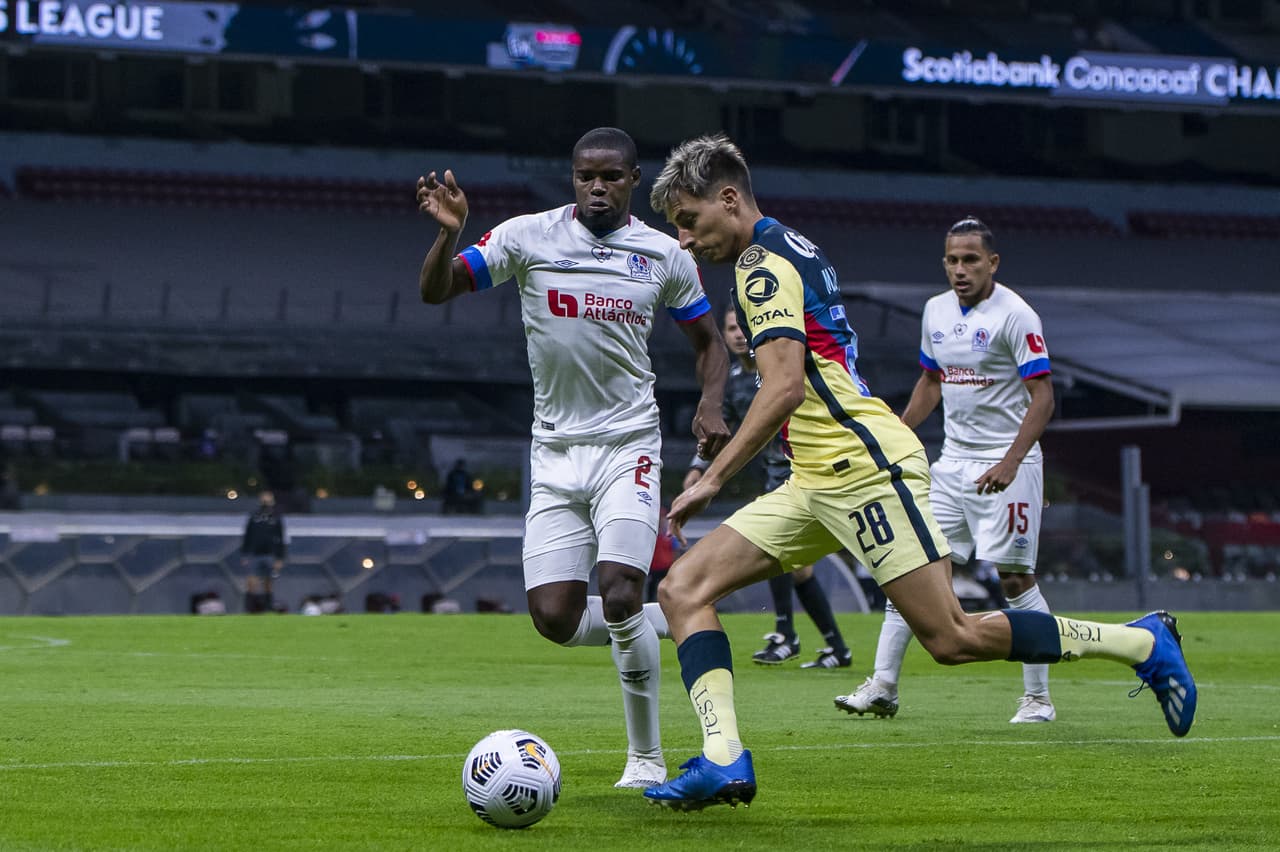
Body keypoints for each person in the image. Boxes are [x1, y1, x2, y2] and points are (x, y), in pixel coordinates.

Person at [639, 132, 1197, 810]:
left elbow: (782, 386)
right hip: (815, 476)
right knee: (684, 588)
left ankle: (1140, 641)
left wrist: (711, 478)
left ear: (729, 199)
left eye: (689, 220)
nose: (685, 239)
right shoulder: (790, 245)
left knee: (951, 637)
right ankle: (724, 757)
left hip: (863, 471)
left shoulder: (760, 265)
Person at [415, 127, 731, 789]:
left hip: (628, 446)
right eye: (586, 175)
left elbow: (709, 342)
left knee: (618, 589)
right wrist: (449, 234)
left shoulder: (663, 253)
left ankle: (645, 758)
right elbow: (436, 292)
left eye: (611, 176)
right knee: (554, 618)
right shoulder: (527, 236)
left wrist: (710, 404)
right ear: (573, 177)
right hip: (555, 453)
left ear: (633, 180)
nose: (597, 187)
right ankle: (669, 617)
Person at [837, 216, 1058, 724]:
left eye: (971, 260)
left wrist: (1011, 461)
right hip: (952, 465)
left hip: (1008, 464)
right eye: (953, 260)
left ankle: (1038, 699)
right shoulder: (935, 310)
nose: (960, 269)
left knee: (1014, 580)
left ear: (992, 263)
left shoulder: (1017, 315)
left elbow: (1043, 397)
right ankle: (883, 686)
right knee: (912, 570)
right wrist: (895, 432)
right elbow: (931, 382)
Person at [684, 305, 852, 669]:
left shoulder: (779, 368)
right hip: (774, 475)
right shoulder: (732, 381)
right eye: (731, 328)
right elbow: (720, 429)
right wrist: (699, 468)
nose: (738, 334)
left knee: (783, 557)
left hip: (805, 471)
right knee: (795, 565)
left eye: (742, 327)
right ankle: (829, 645)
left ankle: (790, 635)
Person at [241, 490, 285, 613]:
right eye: (264, 498)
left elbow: (281, 539)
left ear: (272, 501)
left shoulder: (276, 517)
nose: (266, 501)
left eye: (268, 498)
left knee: (268, 582)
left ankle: (267, 607)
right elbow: (247, 536)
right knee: (252, 581)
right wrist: (245, 554)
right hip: (255, 554)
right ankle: (250, 608)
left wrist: (280, 558)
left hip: (270, 554)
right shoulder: (254, 516)